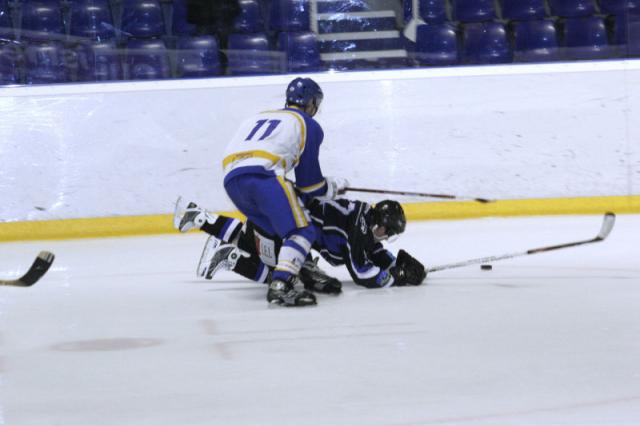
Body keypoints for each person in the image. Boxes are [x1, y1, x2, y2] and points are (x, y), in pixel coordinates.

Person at [215, 77, 349, 307]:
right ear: (313, 103)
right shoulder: (308, 123)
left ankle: (302, 267)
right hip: (264, 177)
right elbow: (310, 184)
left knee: (280, 231)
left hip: (232, 181)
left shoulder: (258, 116)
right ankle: (281, 284)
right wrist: (333, 187)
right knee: (302, 231)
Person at [173, 196, 427, 292]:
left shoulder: (360, 215)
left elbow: (370, 249)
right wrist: (395, 277)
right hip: (280, 233)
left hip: (271, 218)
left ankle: (199, 216)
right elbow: (362, 273)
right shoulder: (358, 230)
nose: (383, 237)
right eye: (387, 233)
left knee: (251, 237)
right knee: (294, 278)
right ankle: (231, 258)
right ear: (380, 226)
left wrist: (392, 262)